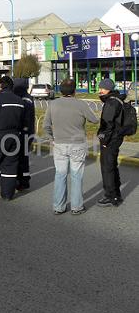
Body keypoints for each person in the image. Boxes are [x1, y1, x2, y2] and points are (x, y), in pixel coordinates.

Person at [43, 79, 99, 215]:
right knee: (76, 176)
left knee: (60, 175)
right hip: (78, 144)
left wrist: (52, 138)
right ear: (75, 90)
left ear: (60, 90)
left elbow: (46, 125)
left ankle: (58, 207)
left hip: (59, 144)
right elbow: (94, 120)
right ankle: (77, 207)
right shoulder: (81, 104)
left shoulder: (53, 104)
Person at [0, 76, 28, 201]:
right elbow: (24, 120)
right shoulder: (20, 101)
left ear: (0, 86)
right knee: (10, 164)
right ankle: (7, 193)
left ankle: (6, 184)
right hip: (15, 136)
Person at [96, 78, 126, 207]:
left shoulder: (111, 103)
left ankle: (111, 196)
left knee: (107, 168)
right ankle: (116, 194)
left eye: (102, 88)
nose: (100, 90)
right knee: (112, 166)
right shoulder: (116, 100)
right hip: (116, 137)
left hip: (111, 140)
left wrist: (103, 140)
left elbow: (107, 124)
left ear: (108, 89)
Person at [13, 78, 36, 191]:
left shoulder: (19, 99)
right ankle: (25, 179)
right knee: (24, 157)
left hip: (21, 132)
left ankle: (20, 180)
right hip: (29, 131)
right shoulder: (29, 98)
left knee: (18, 157)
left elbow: (23, 118)